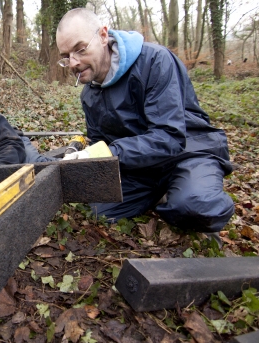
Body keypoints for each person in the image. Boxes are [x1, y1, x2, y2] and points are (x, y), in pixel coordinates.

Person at [56, 8, 234, 239]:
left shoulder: (155, 61)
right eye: (66, 56)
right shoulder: (89, 95)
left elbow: (169, 137)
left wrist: (110, 152)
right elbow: (101, 142)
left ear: (102, 36)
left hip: (188, 152)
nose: (73, 63)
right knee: (99, 211)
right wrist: (84, 160)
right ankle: (163, 193)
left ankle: (189, 188)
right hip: (141, 168)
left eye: (80, 49)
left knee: (194, 206)